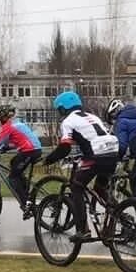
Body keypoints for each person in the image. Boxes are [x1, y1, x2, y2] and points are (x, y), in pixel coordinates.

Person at [42, 91, 121, 243]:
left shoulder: (68, 121)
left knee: (76, 187)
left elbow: (65, 147)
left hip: (96, 156)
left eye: (59, 110)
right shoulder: (92, 116)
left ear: (64, 108)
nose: (59, 113)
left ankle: (82, 230)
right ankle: (120, 214)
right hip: (112, 154)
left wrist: (49, 159)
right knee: (100, 188)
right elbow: (92, 138)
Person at [0, 104, 42, 217]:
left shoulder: (8, 126)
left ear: (4, 117)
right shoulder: (17, 123)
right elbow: (20, 140)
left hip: (29, 151)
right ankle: (27, 194)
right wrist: (7, 147)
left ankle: (26, 204)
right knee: (14, 163)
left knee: (12, 178)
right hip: (34, 149)